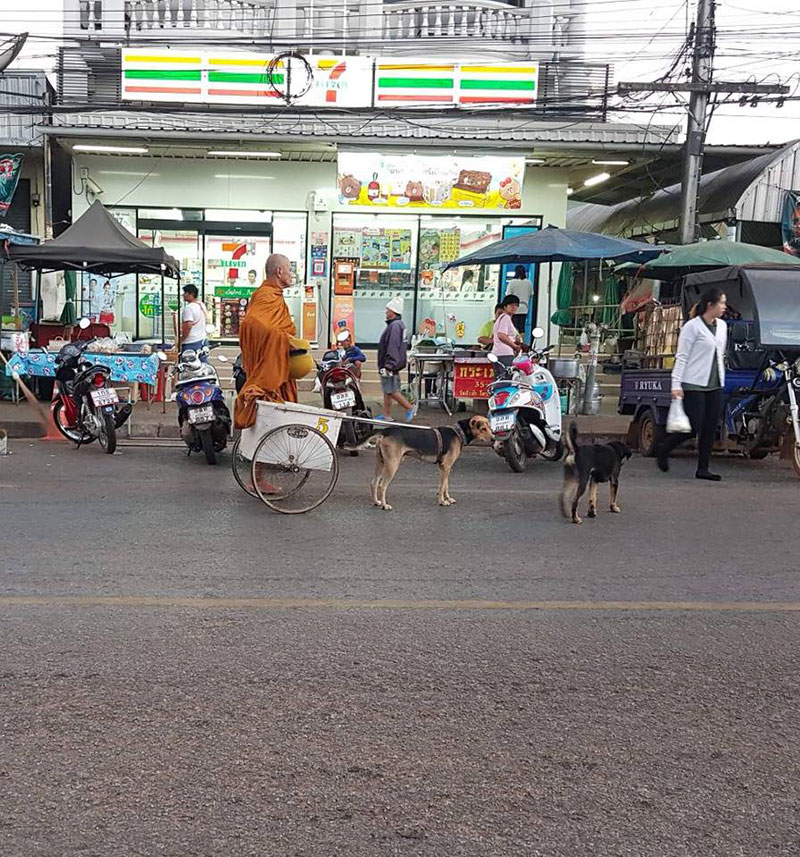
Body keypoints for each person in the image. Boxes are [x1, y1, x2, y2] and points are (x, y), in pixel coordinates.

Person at [657, 287, 728, 481]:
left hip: (715, 382)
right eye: (721, 302)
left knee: (710, 427)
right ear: (710, 305)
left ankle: (703, 468)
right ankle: (665, 448)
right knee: (693, 425)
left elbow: (720, 354)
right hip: (693, 383)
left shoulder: (722, 326)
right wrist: (675, 384)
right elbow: (682, 357)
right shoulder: (692, 327)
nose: (724, 306)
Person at [234, 253, 298, 430]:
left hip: (275, 362)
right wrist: (285, 339)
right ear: (279, 271)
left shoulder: (271, 295)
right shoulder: (265, 296)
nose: (291, 274)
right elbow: (255, 324)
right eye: (289, 270)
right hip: (268, 366)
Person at [377, 296, 415, 421]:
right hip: (395, 362)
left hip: (391, 363)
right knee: (387, 390)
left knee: (391, 391)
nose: (386, 312)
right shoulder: (399, 325)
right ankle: (386, 414)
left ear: (393, 312)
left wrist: (389, 365)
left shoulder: (394, 326)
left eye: (388, 310)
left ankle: (409, 407)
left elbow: (393, 346)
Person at [491, 295, 522, 378]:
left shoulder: (501, 318)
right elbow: (501, 335)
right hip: (505, 353)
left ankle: (496, 391)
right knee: (506, 379)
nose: (514, 307)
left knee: (500, 378)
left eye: (516, 305)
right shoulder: (506, 318)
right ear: (505, 306)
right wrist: (514, 346)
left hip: (497, 353)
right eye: (511, 305)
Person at [181, 284, 208, 360]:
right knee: (202, 366)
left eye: (185, 293)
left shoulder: (189, 308)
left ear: (191, 294)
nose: (183, 295)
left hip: (191, 343)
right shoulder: (201, 305)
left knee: (189, 367)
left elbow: (188, 326)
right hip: (203, 340)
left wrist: (181, 340)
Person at [505, 265, 533, 334]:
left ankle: (514, 343)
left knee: (514, 327)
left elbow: (508, 295)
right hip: (524, 308)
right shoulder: (529, 282)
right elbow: (531, 294)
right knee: (522, 328)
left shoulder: (512, 282)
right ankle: (521, 343)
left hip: (514, 308)